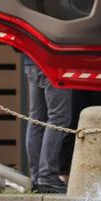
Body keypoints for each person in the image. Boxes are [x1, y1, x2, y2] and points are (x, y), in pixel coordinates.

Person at [24, 56, 74, 193]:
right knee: (58, 118)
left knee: (36, 119)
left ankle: (37, 177)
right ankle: (47, 176)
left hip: (31, 60)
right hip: (54, 60)